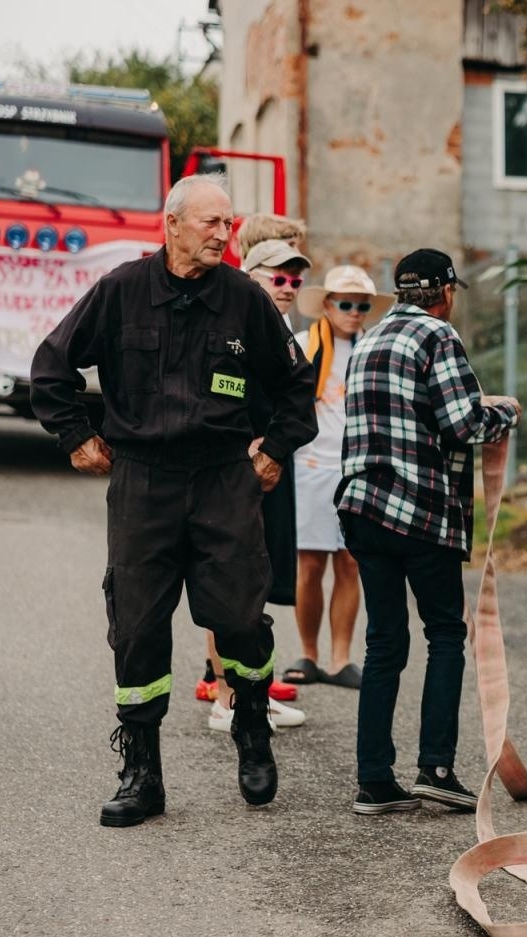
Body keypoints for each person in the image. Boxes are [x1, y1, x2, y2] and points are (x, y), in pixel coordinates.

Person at [30, 174, 317, 827]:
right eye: (212, 223)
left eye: (228, 224)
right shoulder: (121, 292)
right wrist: (76, 436)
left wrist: (273, 449)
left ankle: (251, 724)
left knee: (242, 620)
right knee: (135, 628)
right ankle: (141, 772)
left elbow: (297, 389)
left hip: (224, 478)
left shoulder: (246, 301)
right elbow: (51, 368)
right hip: (144, 481)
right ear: (173, 225)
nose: (224, 235)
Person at [337, 248, 519, 816]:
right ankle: (436, 768)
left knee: (385, 641)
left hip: (362, 508)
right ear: (443, 292)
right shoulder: (438, 338)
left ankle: (374, 779)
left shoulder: (366, 340)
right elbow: (462, 422)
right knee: (444, 633)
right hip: (419, 511)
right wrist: (506, 414)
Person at [187, 238, 314, 732]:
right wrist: (245, 440)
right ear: (250, 275)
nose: (286, 288)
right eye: (277, 277)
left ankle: (251, 692)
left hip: (272, 468)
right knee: (227, 583)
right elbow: (217, 387)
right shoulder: (230, 321)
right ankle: (226, 696)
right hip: (233, 471)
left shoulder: (282, 329)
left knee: (256, 586)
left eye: (295, 280)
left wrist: (277, 445)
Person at [284, 265, 395, 689]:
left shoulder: (375, 350)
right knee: (309, 564)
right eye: (346, 304)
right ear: (327, 305)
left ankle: (341, 658)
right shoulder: (301, 346)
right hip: (311, 466)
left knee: (351, 562)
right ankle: (309, 654)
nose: (354, 312)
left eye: (362, 305)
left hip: (358, 470)